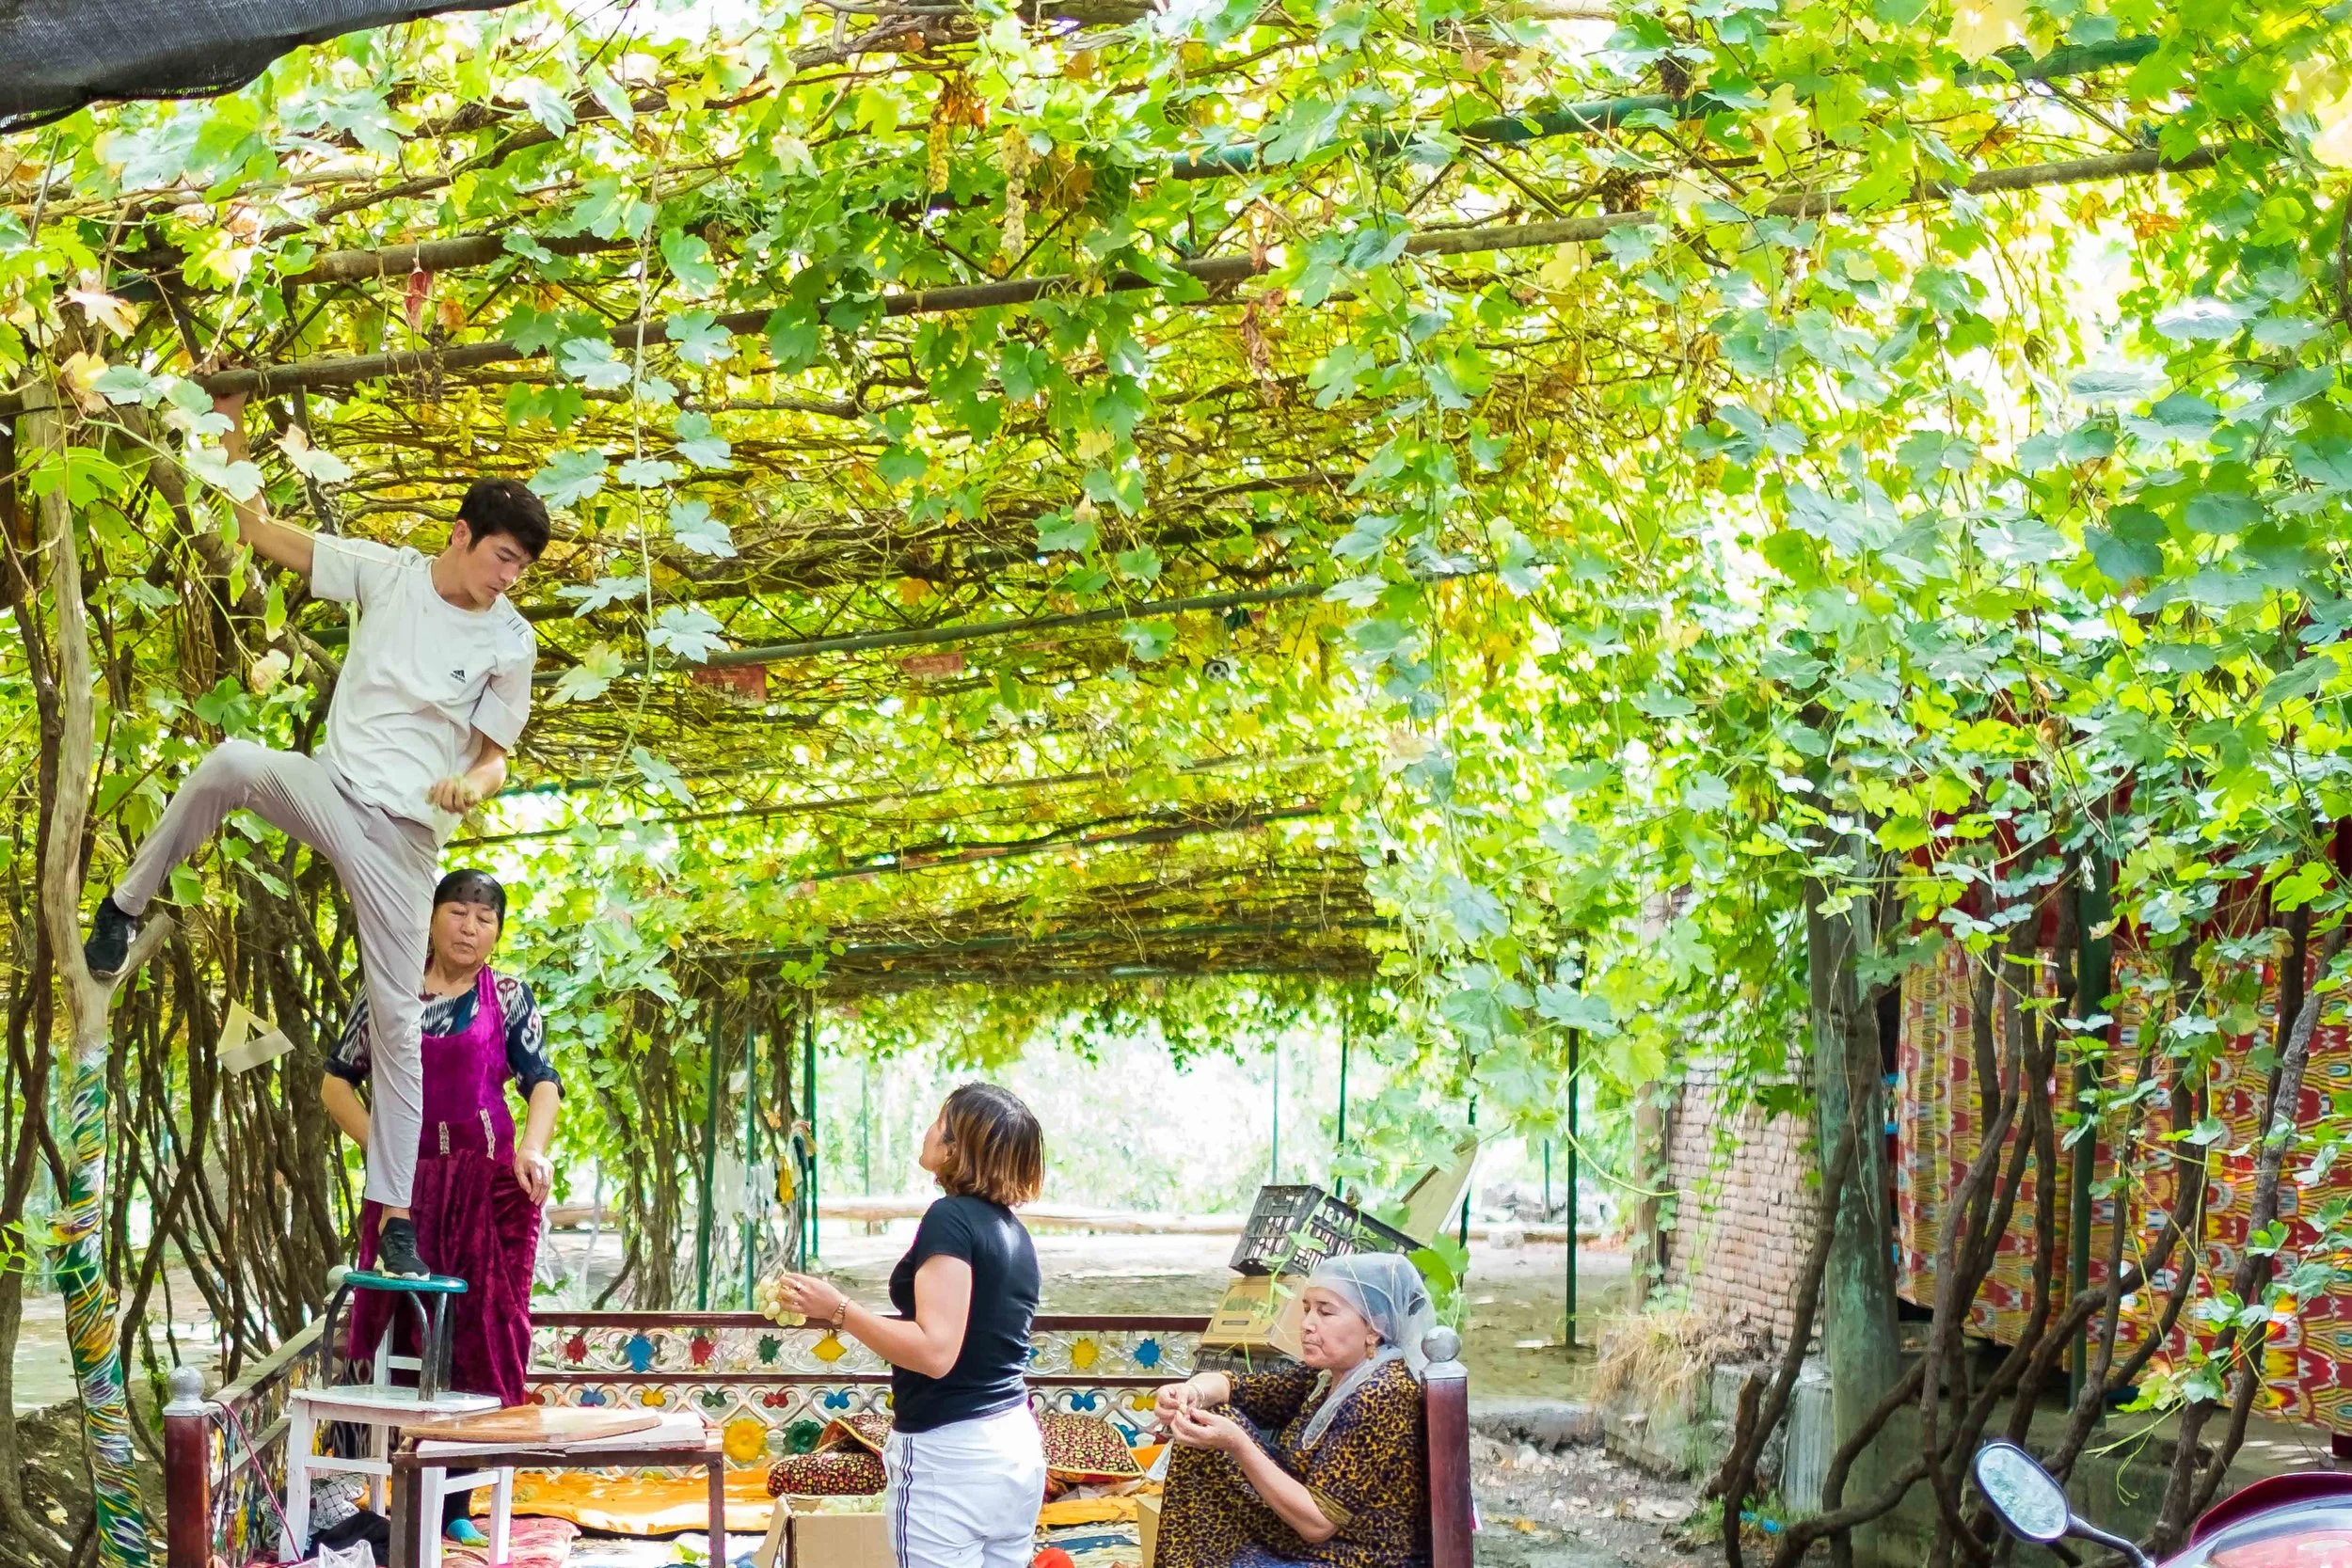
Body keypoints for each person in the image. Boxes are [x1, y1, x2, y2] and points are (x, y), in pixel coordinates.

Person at [83, 395, 546, 1279]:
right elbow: (256, 527)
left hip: (407, 844)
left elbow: (495, 760)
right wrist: (225, 417)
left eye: (520, 567)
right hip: (331, 789)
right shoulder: (387, 572)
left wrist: (471, 785)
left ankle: (396, 1211)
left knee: (397, 1026)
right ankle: (123, 904)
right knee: (228, 760)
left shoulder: (510, 642)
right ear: (462, 535)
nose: (507, 578)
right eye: (502, 558)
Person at [325, 870, 558, 1547]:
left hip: (489, 1182)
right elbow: (335, 1083)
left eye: (485, 918)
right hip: (406, 1188)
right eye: (457, 911)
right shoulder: (387, 993)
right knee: (399, 1326)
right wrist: (385, 1149)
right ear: (430, 918)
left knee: (486, 1329)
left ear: (497, 932)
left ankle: (459, 1494)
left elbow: (543, 1081)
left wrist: (535, 1150)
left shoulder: (509, 997)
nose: (469, 927)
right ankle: (378, 1484)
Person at [773, 1084, 1046, 1568]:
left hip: (950, 1457)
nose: (927, 1130)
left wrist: (841, 1310)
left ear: (956, 1146)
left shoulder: (951, 1219)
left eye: (939, 1122)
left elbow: (935, 1353)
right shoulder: (1013, 1233)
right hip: (1012, 1450)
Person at [1152, 1253, 1435, 1568]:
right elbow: (1242, 1388)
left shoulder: (1381, 1393)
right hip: (1312, 1537)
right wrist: (1192, 1393)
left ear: (1374, 1329)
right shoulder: (1327, 1373)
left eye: (1326, 1312)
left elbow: (1318, 1525)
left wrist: (1237, 1444)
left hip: (1355, 1554)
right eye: (1306, 1309)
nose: (1307, 1324)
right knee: (1208, 1420)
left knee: (1221, 1437)